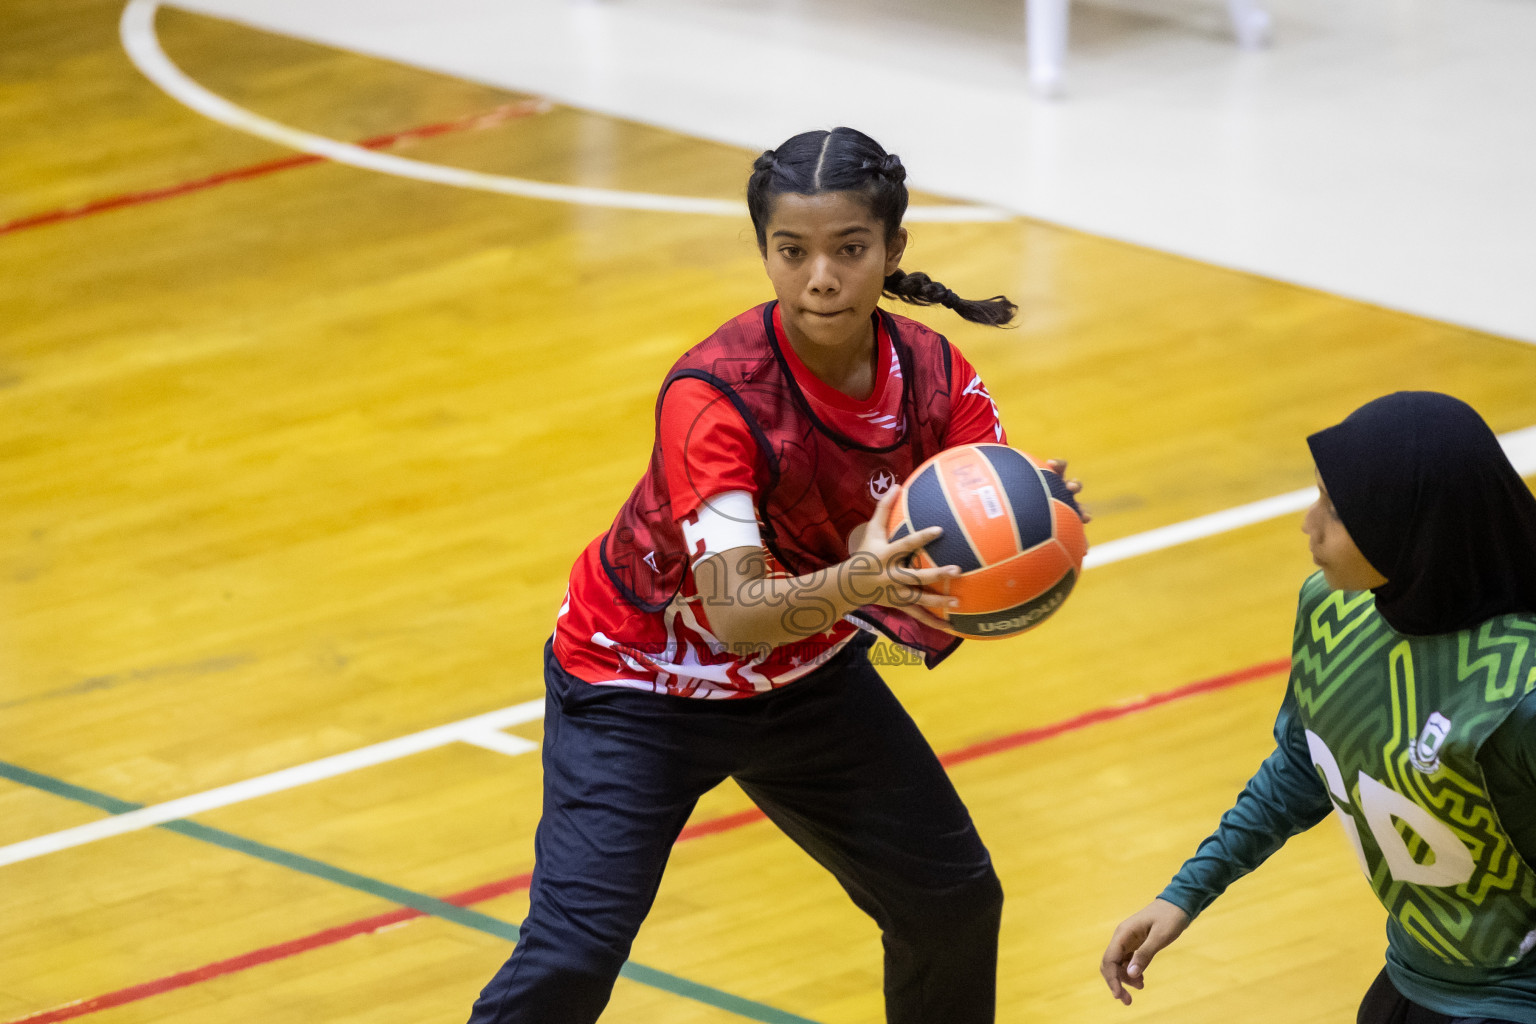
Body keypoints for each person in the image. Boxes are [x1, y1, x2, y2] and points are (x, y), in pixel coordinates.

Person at [467, 127, 1085, 1024]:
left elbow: (980, 514)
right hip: (640, 682)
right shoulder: (715, 396)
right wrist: (862, 580)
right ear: (765, 252)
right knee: (573, 957)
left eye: (849, 249)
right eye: (792, 253)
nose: (820, 277)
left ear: (894, 250)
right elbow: (736, 617)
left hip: (802, 679)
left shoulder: (939, 376)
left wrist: (1043, 522)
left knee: (951, 903)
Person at [1100, 391, 1536, 1024]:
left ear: (1405, 528)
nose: (1310, 524)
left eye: (1336, 511)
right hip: (1408, 980)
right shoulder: (1333, 609)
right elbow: (1305, 764)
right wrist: (1185, 895)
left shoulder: (1519, 695)